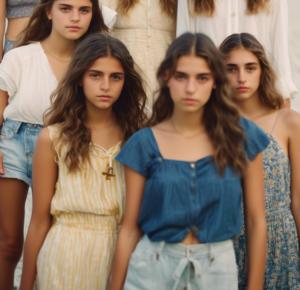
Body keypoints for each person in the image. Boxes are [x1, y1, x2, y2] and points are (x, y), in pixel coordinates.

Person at [108, 32, 269, 290]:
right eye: (181, 76)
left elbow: (256, 220)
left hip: (217, 270)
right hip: (152, 268)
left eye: (202, 78)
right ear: (166, 78)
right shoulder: (144, 143)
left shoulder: (242, 137)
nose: (190, 88)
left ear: (215, 81)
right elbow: (129, 228)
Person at [0, 0, 107, 290]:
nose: (75, 17)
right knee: (8, 242)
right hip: (14, 142)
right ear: (48, 11)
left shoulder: (91, 63)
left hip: (63, 145)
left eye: (84, 10)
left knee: (48, 234)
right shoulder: (20, 56)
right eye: (66, 8)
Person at [19, 33, 146, 290]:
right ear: (79, 78)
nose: (105, 86)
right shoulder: (53, 138)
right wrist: (24, 285)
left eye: (116, 77)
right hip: (63, 255)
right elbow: (39, 221)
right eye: (95, 75)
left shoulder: (139, 139)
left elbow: (137, 222)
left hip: (119, 256)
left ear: (126, 82)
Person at [220, 32, 300, 289]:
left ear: (262, 71)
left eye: (250, 68)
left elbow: (298, 198)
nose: (241, 78)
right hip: (226, 243)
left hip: (280, 241)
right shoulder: (213, 125)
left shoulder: (288, 121)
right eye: (231, 69)